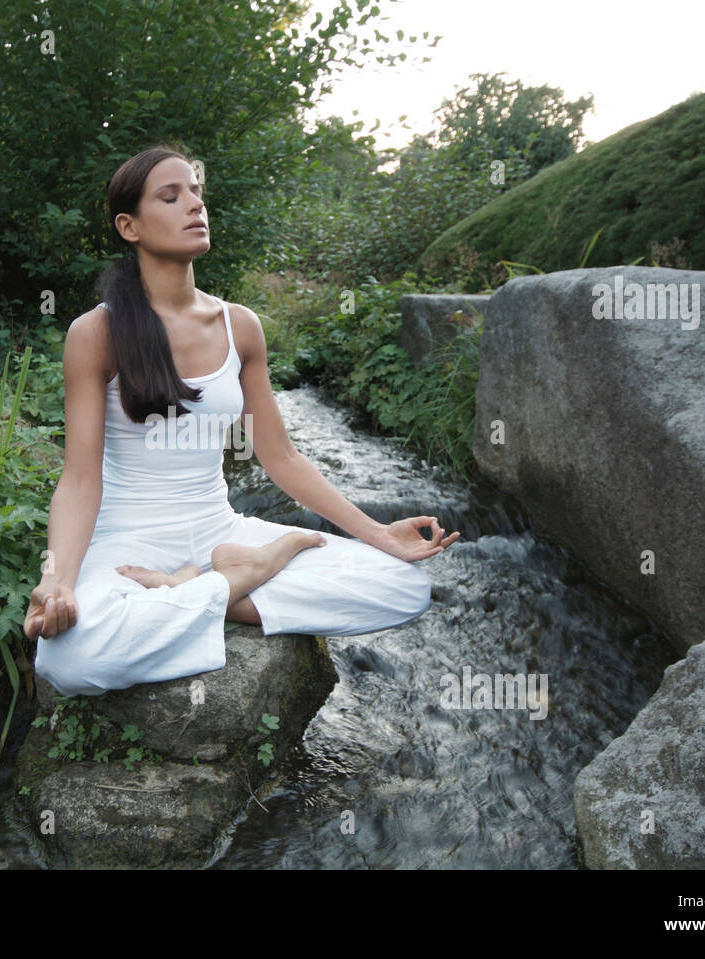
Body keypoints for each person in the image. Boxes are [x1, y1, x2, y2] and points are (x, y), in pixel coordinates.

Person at [24, 144, 459, 697]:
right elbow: (80, 479)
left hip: (220, 529)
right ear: (128, 226)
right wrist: (57, 579)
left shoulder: (240, 325)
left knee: (401, 587)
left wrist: (378, 535)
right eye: (171, 195)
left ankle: (190, 587)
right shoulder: (96, 333)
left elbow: (280, 456)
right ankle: (236, 577)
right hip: (130, 540)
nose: (194, 205)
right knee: (68, 660)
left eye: (197, 193)